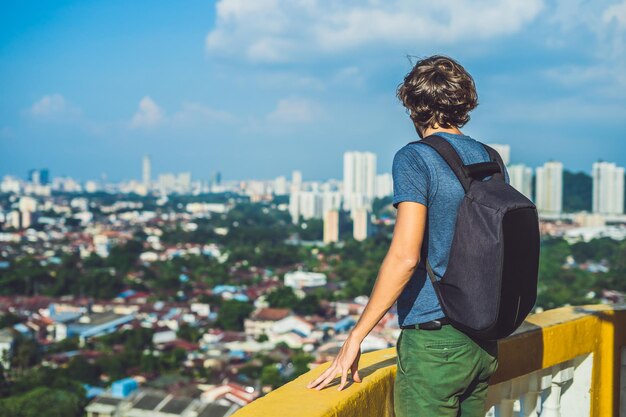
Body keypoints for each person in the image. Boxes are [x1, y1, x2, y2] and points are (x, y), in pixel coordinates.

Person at [306, 55, 507, 416]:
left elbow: (405, 256)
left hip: (435, 344)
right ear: (465, 104)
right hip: (483, 340)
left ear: (413, 106)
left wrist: (356, 337)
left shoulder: (416, 158)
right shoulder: (489, 158)